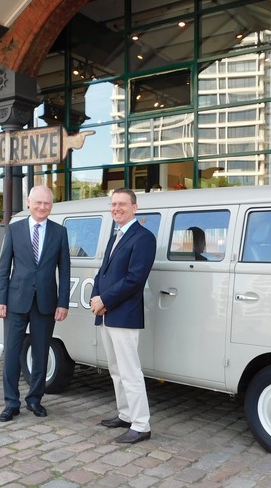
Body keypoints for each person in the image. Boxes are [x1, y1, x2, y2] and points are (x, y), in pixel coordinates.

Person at [0, 185, 70, 422]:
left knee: (40, 353)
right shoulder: (14, 230)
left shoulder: (59, 232)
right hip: (16, 301)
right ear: (29, 202)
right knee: (12, 354)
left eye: (47, 203)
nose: (42, 207)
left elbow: (65, 270)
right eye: (38, 202)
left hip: (46, 302)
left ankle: (35, 399)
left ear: (51, 206)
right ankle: (11, 403)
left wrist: (63, 303)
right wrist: (0, 300)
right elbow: (4, 267)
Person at [90, 188, 157, 444]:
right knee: (116, 370)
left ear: (134, 208)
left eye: (122, 204)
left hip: (124, 315)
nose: (116, 208)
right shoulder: (115, 234)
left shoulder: (143, 238)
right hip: (106, 314)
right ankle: (126, 414)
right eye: (113, 204)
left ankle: (141, 425)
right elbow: (103, 272)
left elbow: (135, 279)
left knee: (130, 371)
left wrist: (105, 300)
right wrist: (96, 297)